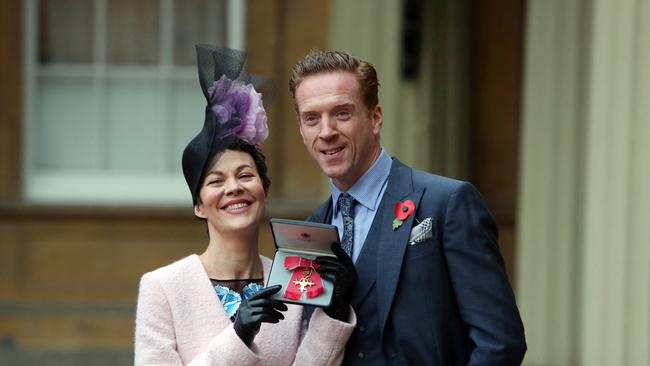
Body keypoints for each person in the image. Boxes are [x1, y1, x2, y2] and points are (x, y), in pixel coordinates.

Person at [289, 49, 527, 365]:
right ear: (301, 130)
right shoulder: (309, 233)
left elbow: (500, 342)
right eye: (312, 118)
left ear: (375, 117)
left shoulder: (447, 204)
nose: (327, 131)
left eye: (342, 113)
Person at [134, 45, 357, 365]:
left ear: (264, 190)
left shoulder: (292, 277)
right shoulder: (163, 288)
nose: (234, 188)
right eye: (216, 181)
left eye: (245, 175)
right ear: (199, 205)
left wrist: (334, 310)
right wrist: (238, 335)